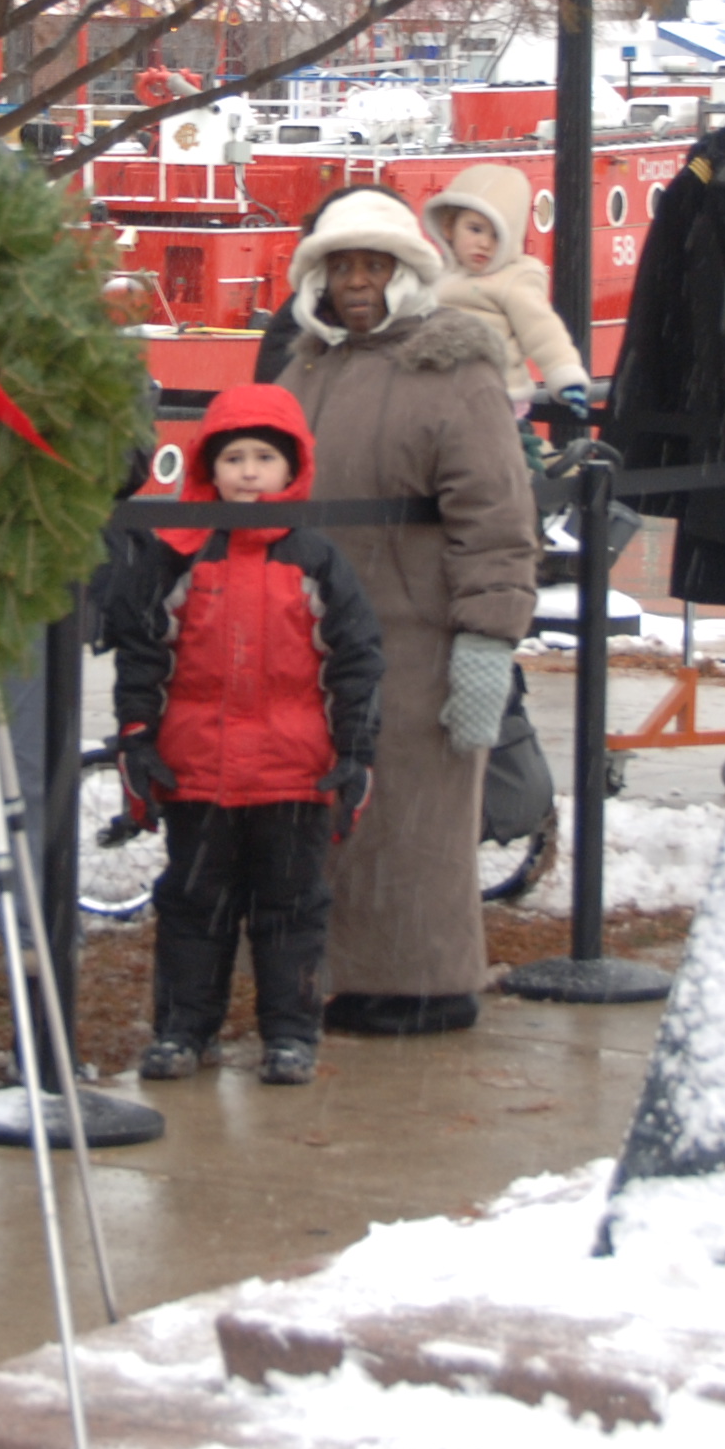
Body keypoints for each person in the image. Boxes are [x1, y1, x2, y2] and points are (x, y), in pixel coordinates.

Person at [274, 187, 535, 1039]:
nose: (357, 282)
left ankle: (427, 986)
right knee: (340, 825)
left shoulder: (452, 371)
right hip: (315, 639)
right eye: (342, 265)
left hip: (418, 642)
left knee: (416, 827)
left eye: (374, 265)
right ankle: (345, 979)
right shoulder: (305, 368)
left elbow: (496, 519)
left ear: (406, 273)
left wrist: (487, 641)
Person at [107, 383, 381, 1087]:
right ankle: (182, 1029)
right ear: (210, 467)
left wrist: (356, 753)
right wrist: (136, 739)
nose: (249, 473)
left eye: (264, 457)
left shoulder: (317, 560)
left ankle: (290, 1033)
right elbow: (144, 657)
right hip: (197, 771)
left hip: (293, 775)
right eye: (234, 458)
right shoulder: (180, 556)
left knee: (291, 913)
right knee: (192, 908)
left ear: (293, 468)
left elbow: (355, 662)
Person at [421, 163, 591, 408]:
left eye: (497, 235)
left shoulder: (513, 279)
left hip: (496, 394)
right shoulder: (438, 273)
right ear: (449, 228)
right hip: (444, 393)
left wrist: (565, 374)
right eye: (475, 229)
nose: (484, 243)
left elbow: (542, 330)